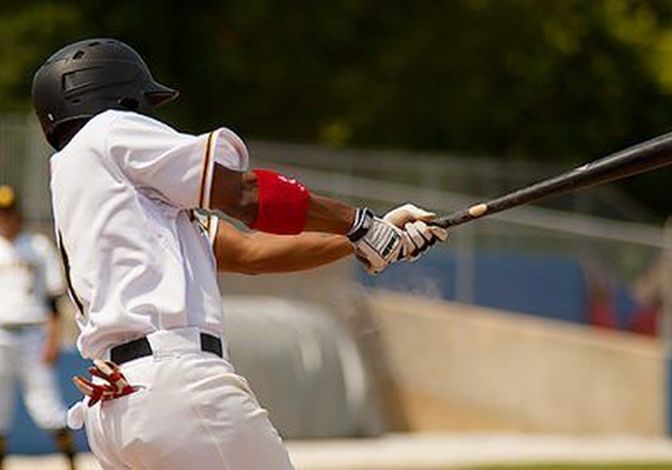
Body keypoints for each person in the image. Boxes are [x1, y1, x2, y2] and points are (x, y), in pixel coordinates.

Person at [31, 38, 448, 469]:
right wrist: (358, 223)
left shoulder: (100, 190)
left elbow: (250, 253)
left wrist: (363, 239)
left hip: (119, 404)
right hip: (175, 382)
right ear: (117, 96)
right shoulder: (111, 129)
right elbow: (245, 194)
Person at [0, 185, 77, 470]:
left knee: (48, 407)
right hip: (1, 334)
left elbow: (53, 299)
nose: (5, 217)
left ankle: (72, 464)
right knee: (0, 411)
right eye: (0, 213)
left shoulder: (37, 246)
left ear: (17, 212)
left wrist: (53, 338)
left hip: (32, 333)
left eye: (8, 211)